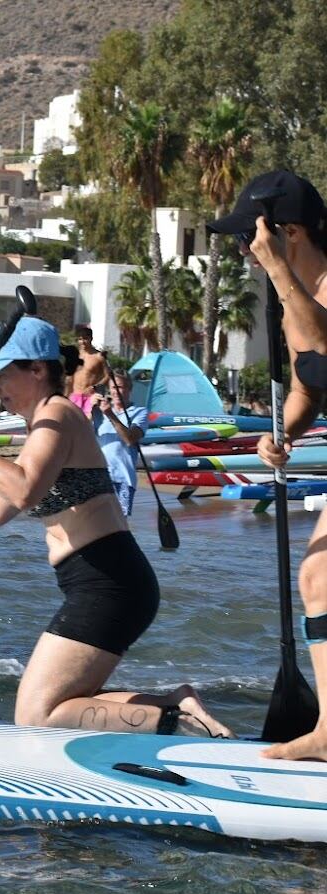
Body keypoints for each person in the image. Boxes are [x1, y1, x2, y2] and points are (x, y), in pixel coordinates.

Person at [0, 316, 230, 738]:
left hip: (109, 582)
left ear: (37, 370)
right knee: (58, 705)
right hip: (101, 582)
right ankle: (175, 705)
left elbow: (23, 492)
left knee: (37, 715)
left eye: (0, 376)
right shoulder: (40, 426)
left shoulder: (56, 416)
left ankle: (180, 722)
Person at [219, 169, 327, 760]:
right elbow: (310, 388)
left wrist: (281, 273)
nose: (246, 251)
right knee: (319, 577)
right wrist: (282, 433)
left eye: (251, 239)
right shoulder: (291, 306)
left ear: (288, 233)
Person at [92, 370, 147, 518]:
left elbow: (130, 439)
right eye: (114, 388)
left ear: (129, 389)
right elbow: (80, 433)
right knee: (95, 524)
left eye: (121, 387)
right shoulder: (98, 412)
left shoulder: (140, 413)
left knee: (118, 525)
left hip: (123, 479)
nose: (117, 392)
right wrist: (88, 408)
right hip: (99, 477)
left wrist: (110, 415)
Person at [70, 325, 109, 414]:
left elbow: (108, 375)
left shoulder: (99, 356)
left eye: (85, 338)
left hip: (90, 397)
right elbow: (69, 378)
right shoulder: (74, 356)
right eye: (80, 339)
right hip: (75, 396)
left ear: (91, 338)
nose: (82, 342)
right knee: (72, 424)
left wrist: (95, 387)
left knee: (89, 424)